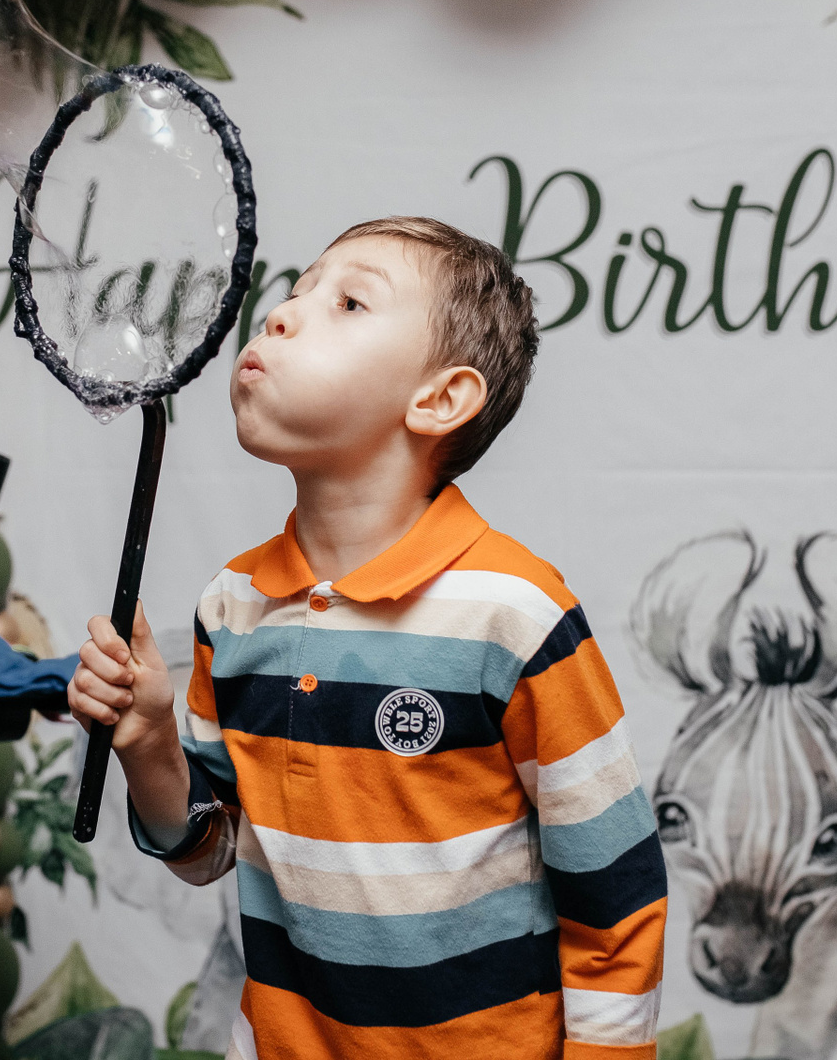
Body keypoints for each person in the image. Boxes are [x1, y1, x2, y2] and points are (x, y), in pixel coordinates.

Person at [68, 217, 667, 1059]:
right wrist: (148, 745)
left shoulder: (514, 612)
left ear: (439, 400)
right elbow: (206, 851)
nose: (280, 313)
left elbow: (616, 889)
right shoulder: (232, 607)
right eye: (295, 291)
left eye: (348, 303)